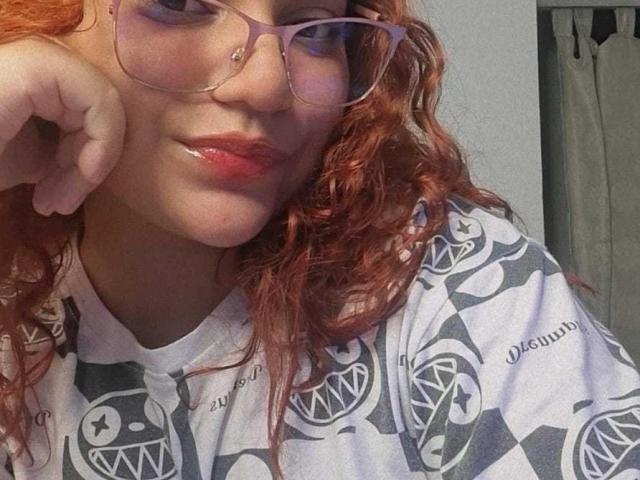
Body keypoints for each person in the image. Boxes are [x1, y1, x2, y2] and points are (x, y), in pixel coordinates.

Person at [0, 0, 638, 478]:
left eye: (316, 29)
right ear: (44, 21)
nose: (266, 85)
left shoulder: (460, 287)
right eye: (178, 3)